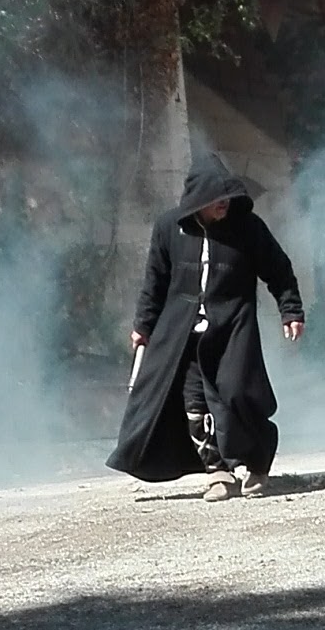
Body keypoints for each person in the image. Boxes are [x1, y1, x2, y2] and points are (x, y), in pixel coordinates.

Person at [106, 154, 304, 496]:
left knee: (239, 395)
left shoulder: (248, 228)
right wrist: (143, 325)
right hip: (184, 336)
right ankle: (218, 472)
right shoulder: (169, 228)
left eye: (226, 197)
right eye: (216, 199)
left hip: (233, 329)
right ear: (198, 200)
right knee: (194, 404)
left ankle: (256, 464)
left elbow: (278, 270)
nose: (223, 204)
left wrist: (291, 311)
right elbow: (155, 281)